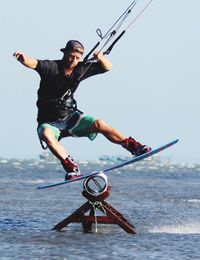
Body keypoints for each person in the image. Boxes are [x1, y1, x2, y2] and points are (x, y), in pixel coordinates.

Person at [13, 40, 151, 180]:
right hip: (49, 122)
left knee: (99, 124)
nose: (73, 60)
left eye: (77, 58)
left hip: (71, 118)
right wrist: (23, 59)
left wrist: (101, 58)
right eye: (71, 56)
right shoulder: (51, 67)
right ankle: (72, 168)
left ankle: (134, 147)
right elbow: (34, 63)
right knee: (46, 134)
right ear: (64, 53)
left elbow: (108, 67)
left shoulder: (81, 69)